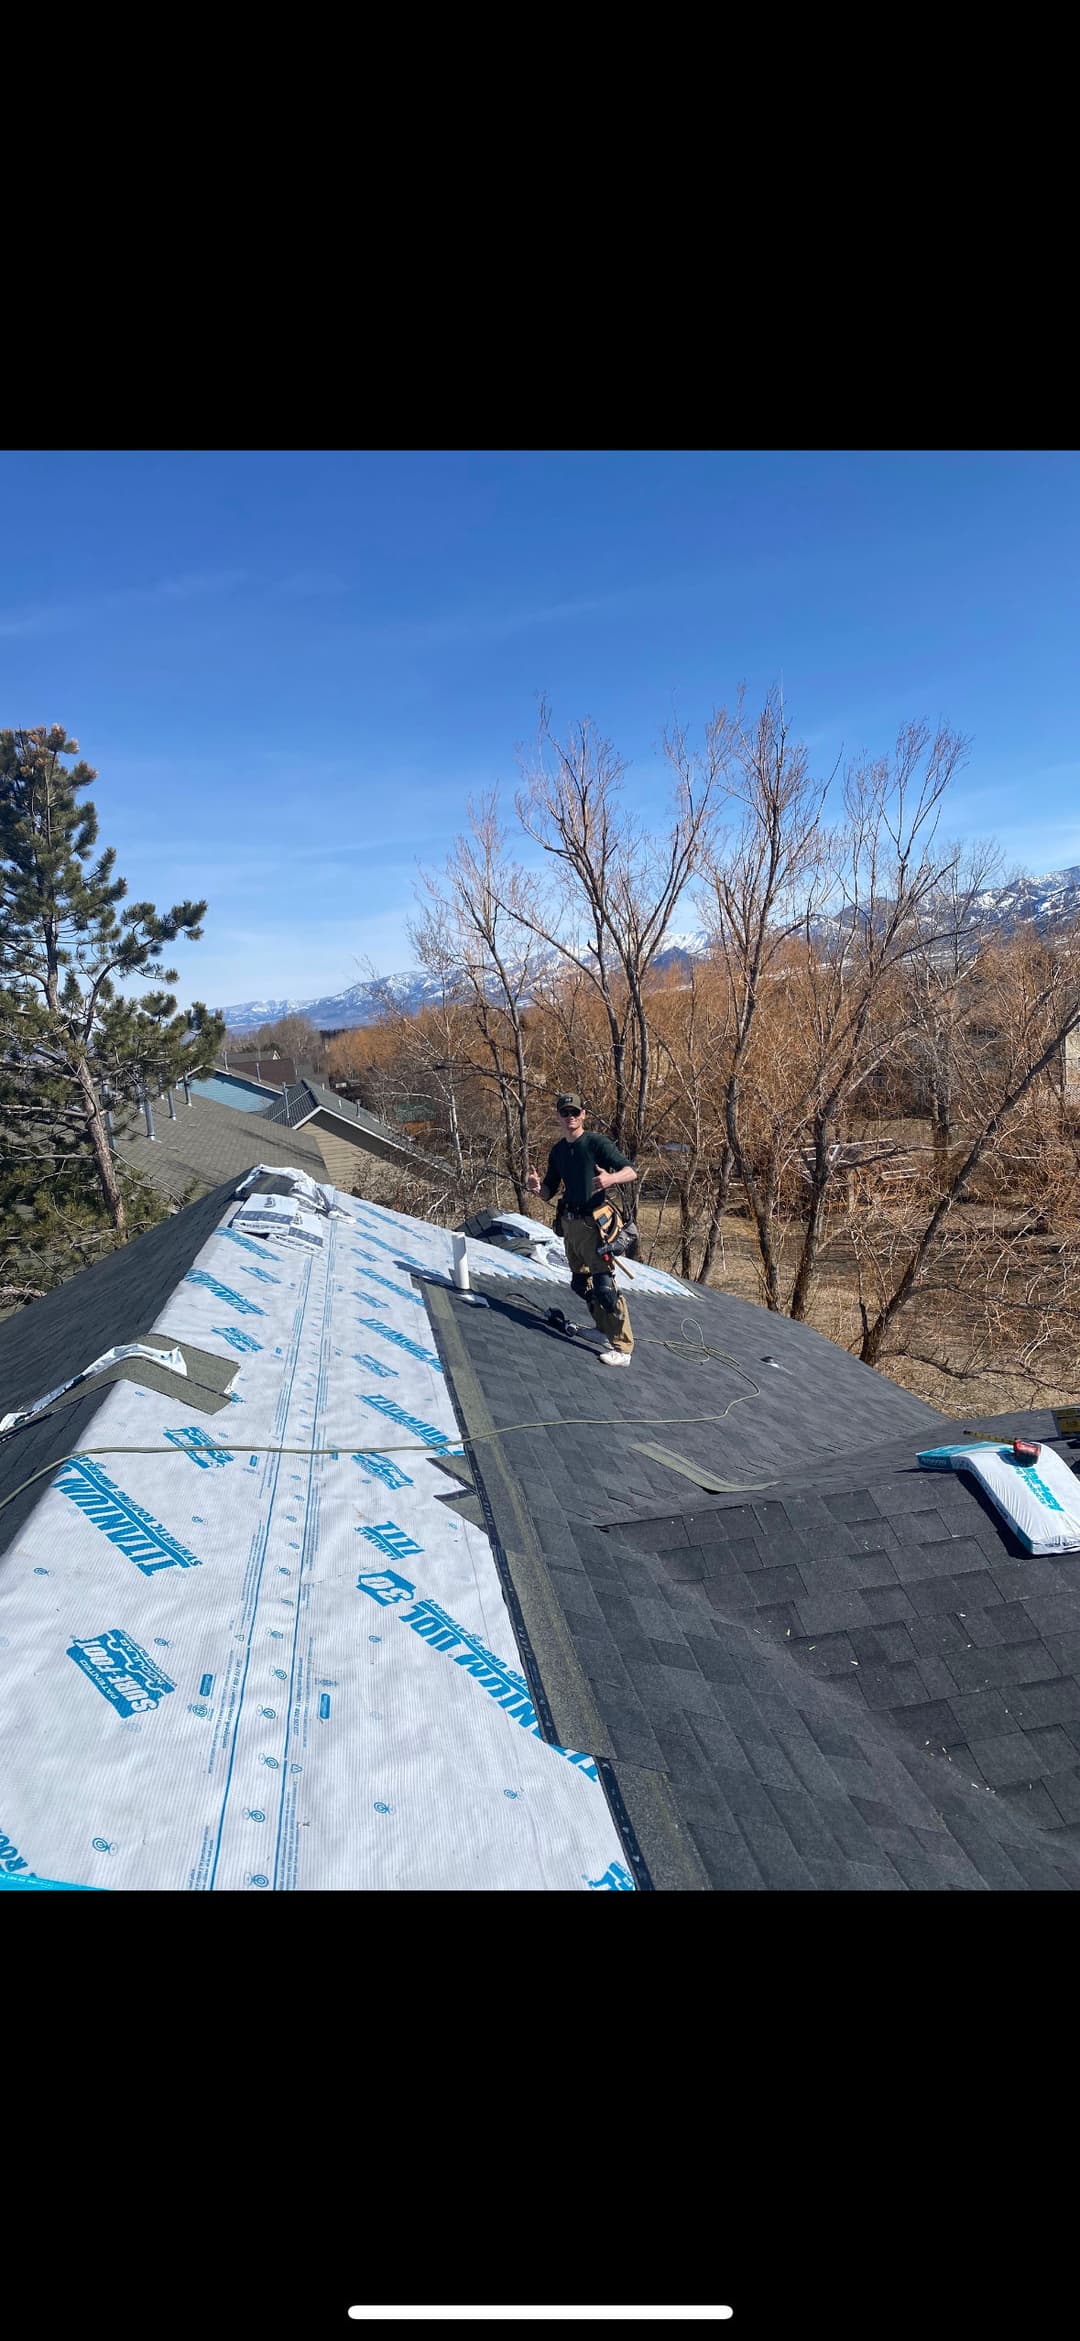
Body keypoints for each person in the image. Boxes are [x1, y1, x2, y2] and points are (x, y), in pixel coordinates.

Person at [525, 1093, 636, 1365]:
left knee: (605, 1287)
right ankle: (602, 1330)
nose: (570, 1117)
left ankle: (623, 1349)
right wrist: (537, 1188)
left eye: (575, 1112)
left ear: (583, 1114)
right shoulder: (559, 1151)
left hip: (594, 1226)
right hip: (570, 1225)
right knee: (580, 1283)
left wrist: (611, 1178)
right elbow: (549, 1190)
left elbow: (630, 1171)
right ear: (559, 1116)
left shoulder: (596, 1143)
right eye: (565, 1112)